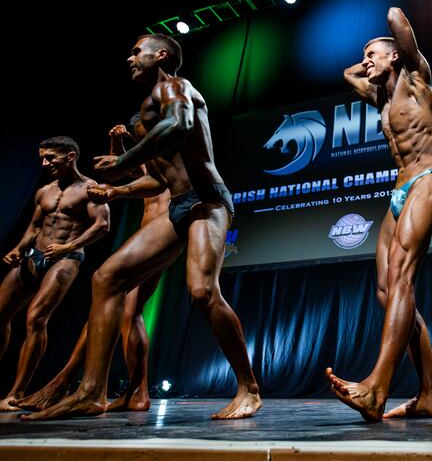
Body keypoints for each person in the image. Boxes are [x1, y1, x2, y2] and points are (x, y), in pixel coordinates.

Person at [23, 34, 261, 420]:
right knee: (106, 277)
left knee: (201, 291)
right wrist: (116, 191)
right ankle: (91, 392)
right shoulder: (148, 107)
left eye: (137, 51)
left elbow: (181, 124)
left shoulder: (175, 87)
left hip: (207, 200)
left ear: (161, 55)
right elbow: (158, 179)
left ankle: (249, 388)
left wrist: (124, 160)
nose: (130, 58)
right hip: (180, 204)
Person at [326, 7, 432, 422]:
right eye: (364, 55)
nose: (365, 61)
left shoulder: (416, 79)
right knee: (385, 289)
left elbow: (399, 21)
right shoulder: (380, 97)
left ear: (395, 55)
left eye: (373, 54)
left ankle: (377, 387)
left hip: (427, 182)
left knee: (401, 280)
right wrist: (368, 59)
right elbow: (347, 76)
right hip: (398, 190)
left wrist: (390, 40)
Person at [16, 119, 168, 412]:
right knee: (123, 309)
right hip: (150, 231)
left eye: (142, 134)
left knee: (115, 299)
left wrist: (119, 182)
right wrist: (118, 145)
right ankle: (134, 392)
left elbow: (129, 177)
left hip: (163, 230)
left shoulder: (170, 155)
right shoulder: (152, 159)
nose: (139, 140)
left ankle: (72, 381)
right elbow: (122, 170)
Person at [0, 136, 110, 410]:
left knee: (36, 318)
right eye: (42, 158)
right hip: (32, 256)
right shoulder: (44, 191)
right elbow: (35, 227)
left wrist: (68, 246)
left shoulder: (90, 189)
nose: (45, 163)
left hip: (66, 259)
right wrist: (18, 248)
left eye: (50, 157)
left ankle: (16, 393)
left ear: (70, 156)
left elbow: (102, 225)